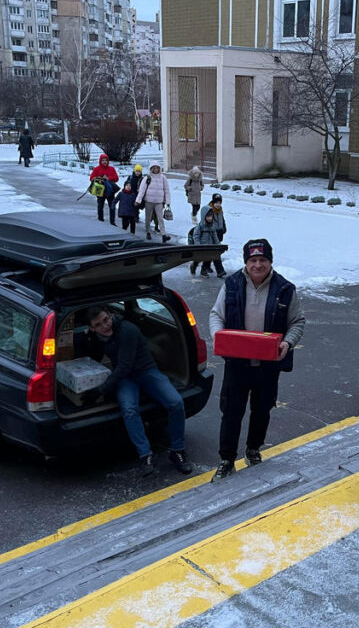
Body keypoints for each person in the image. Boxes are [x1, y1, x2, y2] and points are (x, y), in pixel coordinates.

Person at [209, 239, 305, 481]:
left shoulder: (285, 288)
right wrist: (219, 337)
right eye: (253, 260)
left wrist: (287, 343)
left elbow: (297, 321)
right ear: (246, 262)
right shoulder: (231, 284)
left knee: (261, 411)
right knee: (231, 411)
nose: (258, 264)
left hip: (268, 365)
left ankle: (253, 450)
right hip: (237, 364)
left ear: (270, 262)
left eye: (263, 260)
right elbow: (216, 315)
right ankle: (226, 459)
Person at [77, 305, 193, 476]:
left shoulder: (127, 330)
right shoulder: (98, 336)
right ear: (92, 328)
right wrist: (86, 342)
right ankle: (145, 455)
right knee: (129, 409)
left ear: (110, 315)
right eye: (98, 325)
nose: (105, 326)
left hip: (145, 370)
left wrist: (101, 391)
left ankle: (178, 451)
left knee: (175, 403)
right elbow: (94, 358)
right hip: (126, 379)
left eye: (106, 320)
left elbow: (124, 365)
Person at [136, 162, 171, 241]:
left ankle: (163, 235)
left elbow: (167, 191)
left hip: (159, 202)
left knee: (160, 218)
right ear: (151, 169)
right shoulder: (147, 178)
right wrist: (138, 200)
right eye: (154, 168)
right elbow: (142, 190)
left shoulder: (163, 178)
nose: (156, 169)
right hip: (149, 201)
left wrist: (167, 201)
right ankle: (148, 232)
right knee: (148, 218)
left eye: (157, 168)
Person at [190, 206, 227, 277]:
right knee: (199, 259)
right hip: (201, 246)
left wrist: (218, 245)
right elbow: (196, 236)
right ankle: (194, 265)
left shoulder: (212, 227)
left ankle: (204, 271)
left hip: (210, 246)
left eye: (211, 217)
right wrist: (198, 245)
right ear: (204, 216)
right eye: (208, 217)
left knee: (210, 258)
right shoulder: (200, 227)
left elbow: (215, 237)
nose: (210, 218)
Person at [89, 153, 119, 225]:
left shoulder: (111, 169)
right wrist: (97, 178)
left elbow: (116, 178)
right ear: (100, 161)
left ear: (108, 161)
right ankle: (100, 219)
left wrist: (108, 178)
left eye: (106, 160)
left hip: (110, 191)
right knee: (100, 206)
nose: (104, 162)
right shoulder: (96, 169)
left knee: (112, 206)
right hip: (100, 190)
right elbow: (91, 178)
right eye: (103, 160)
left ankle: (112, 221)